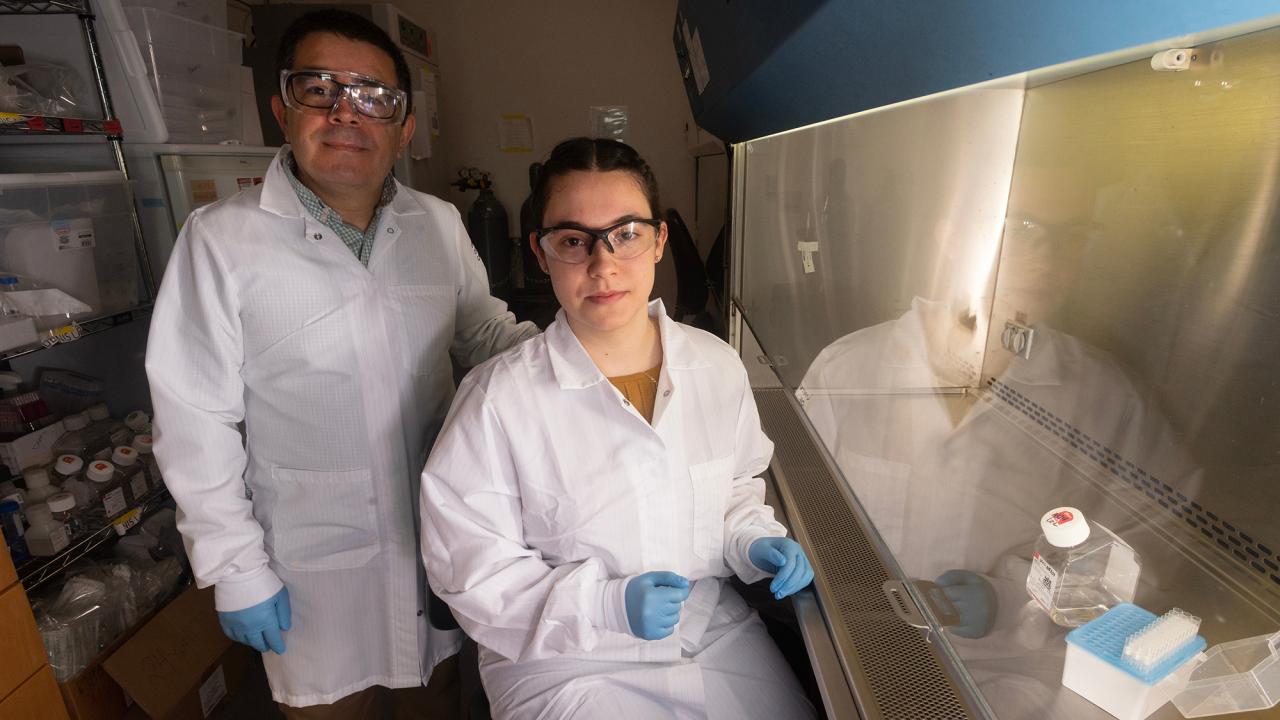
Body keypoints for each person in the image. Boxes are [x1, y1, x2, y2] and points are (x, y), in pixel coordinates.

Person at [145, 9, 538, 718]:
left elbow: (483, 336)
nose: (346, 112)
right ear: (282, 109)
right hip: (310, 564)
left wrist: (586, 352)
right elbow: (193, 418)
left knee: (437, 697)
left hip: (435, 540)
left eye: (373, 96)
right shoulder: (221, 240)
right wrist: (235, 568)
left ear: (404, 127)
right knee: (328, 709)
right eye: (319, 89)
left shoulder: (437, 223)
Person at [420, 137, 818, 720]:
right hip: (560, 658)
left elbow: (733, 490)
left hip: (708, 629)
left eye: (626, 234)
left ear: (659, 240)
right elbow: (473, 571)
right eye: (573, 240)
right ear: (540, 253)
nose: (602, 264)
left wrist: (753, 541)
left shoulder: (715, 366)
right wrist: (606, 606)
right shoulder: (496, 399)